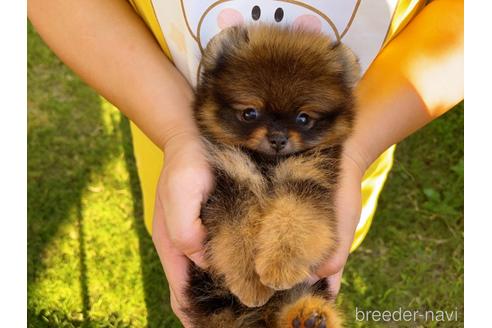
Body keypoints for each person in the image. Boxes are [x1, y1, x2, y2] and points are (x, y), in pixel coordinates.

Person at [28, 0, 463, 326]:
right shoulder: (216, 135)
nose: (276, 135)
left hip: (353, 158)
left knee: (303, 247)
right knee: (213, 253)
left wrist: (355, 151)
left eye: (303, 118)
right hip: (178, 155)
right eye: (251, 114)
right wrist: (178, 136)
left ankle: (298, 311)